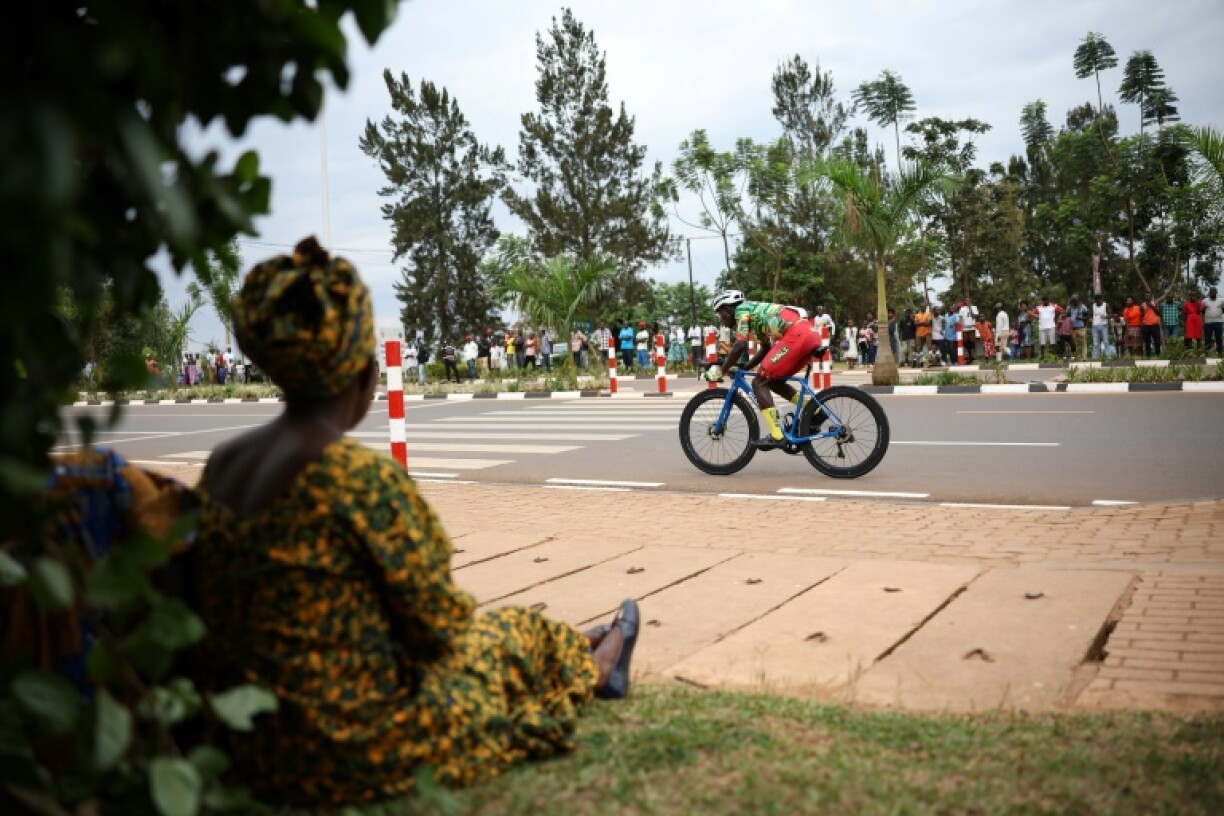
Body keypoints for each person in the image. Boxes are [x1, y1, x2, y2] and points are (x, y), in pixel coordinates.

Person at [193, 237, 640, 806]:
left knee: (501, 637)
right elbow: (441, 631)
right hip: (342, 743)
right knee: (505, 635)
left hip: (240, 735)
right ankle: (593, 667)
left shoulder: (222, 466)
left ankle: (584, 646)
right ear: (363, 372)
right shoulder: (358, 479)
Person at [706, 290, 823, 450]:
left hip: (797, 335)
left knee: (759, 383)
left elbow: (740, 345)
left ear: (728, 309)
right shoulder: (755, 314)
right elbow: (766, 349)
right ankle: (816, 410)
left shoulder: (742, 311)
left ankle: (777, 435)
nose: (721, 319)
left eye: (720, 314)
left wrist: (722, 370)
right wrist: (743, 368)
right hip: (809, 334)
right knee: (773, 382)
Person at [1067, 295, 1090, 359]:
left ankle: (1084, 358)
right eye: (1073, 301)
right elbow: (1067, 316)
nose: (1074, 302)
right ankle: (1073, 357)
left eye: (1075, 301)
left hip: (1081, 328)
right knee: (1073, 344)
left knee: (1083, 343)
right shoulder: (1069, 308)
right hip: (1072, 329)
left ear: (1078, 300)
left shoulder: (1083, 307)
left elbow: (1088, 316)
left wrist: (1081, 318)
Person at [1203, 286, 1224, 355]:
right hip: (1208, 322)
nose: (1213, 293)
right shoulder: (1205, 301)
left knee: (1219, 338)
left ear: (1216, 292)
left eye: (1214, 292)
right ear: (1209, 293)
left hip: (1218, 322)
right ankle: (1207, 353)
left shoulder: (1221, 300)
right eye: (1211, 292)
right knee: (1208, 338)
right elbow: (1202, 311)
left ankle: (1220, 352)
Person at [958, 297, 979, 363]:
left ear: (970, 301)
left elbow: (974, 316)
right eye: (966, 300)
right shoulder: (962, 308)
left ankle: (973, 356)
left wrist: (970, 309)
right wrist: (961, 326)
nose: (967, 301)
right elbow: (960, 318)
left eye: (968, 300)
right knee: (966, 342)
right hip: (965, 328)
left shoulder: (974, 307)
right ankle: (969, 356)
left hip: (972, 327)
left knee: (972, 342)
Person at [1091, 295, 1111, 359]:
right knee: (1095, 342)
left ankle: (1108, 356)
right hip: (1095, 326)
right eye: (1096, 300)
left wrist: (1105, 316)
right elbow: (1089, 315)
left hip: (1104, 325)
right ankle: (1095, 357)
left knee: (1106, 341)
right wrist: (1090, 319)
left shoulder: (1106, 305)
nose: (1097, 302)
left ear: (1101, 299)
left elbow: (1110, 315)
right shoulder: (1093, 306)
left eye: (1099, 300)